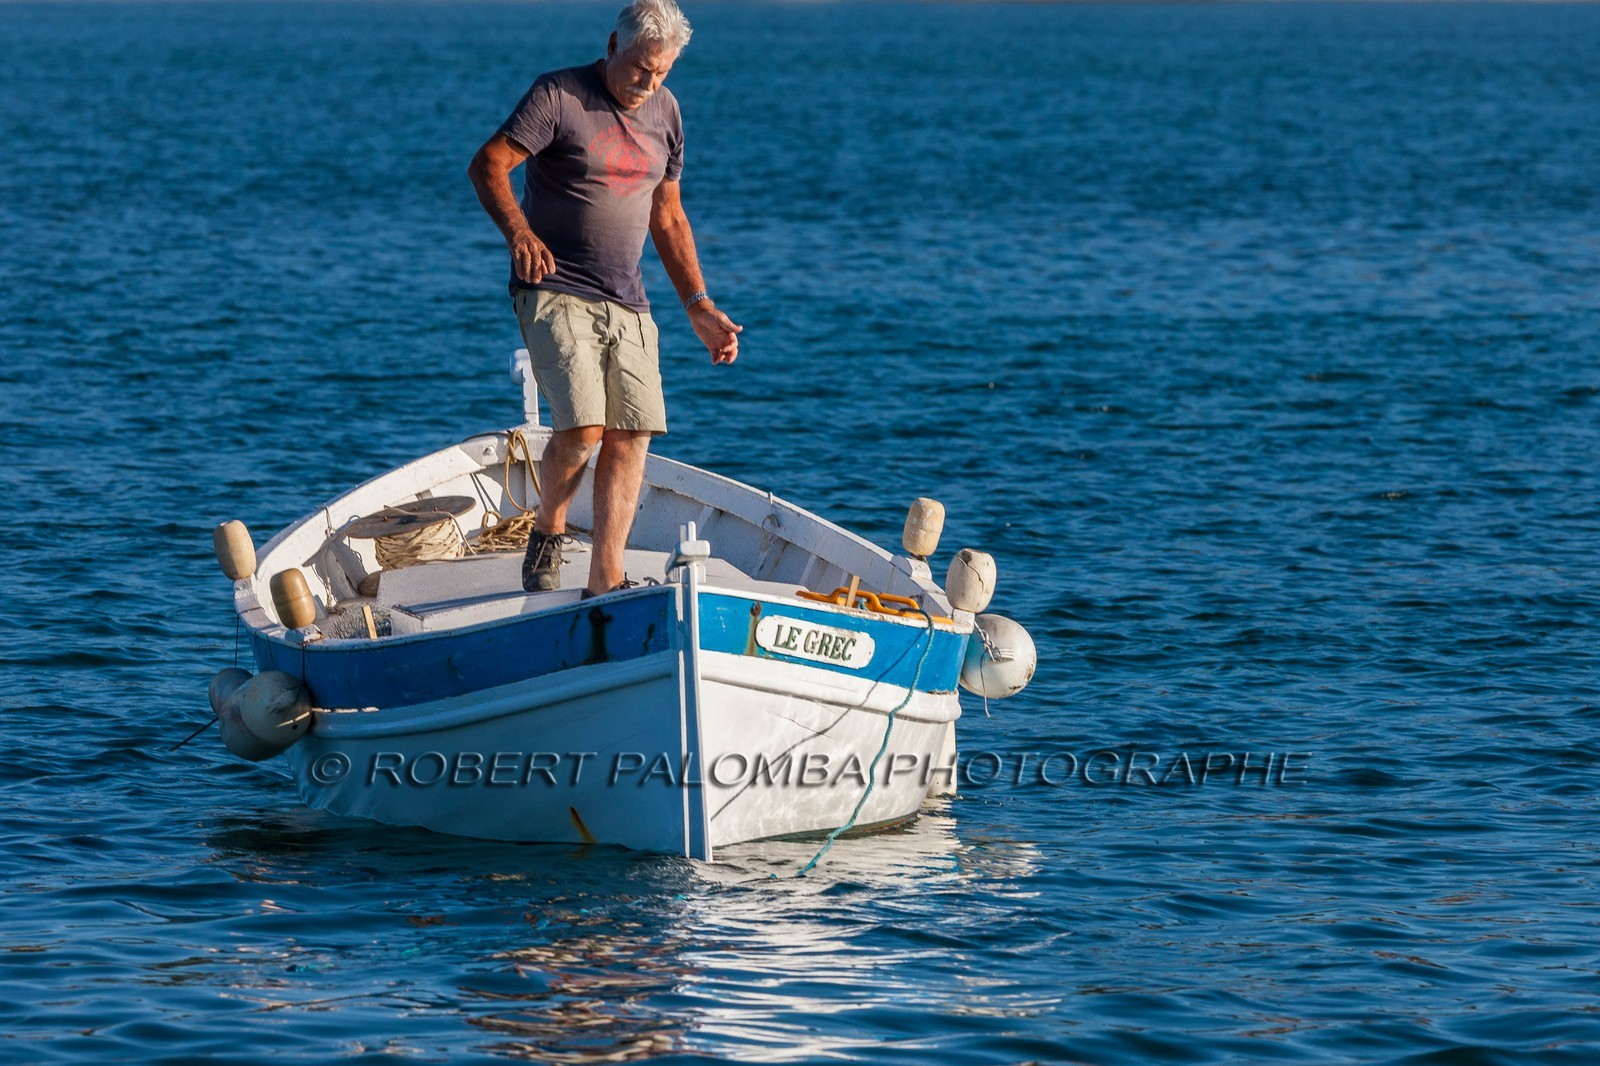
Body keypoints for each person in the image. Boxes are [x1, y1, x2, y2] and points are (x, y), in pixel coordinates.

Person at [468, 0, 741, 599]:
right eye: (641, 68)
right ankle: (549, 528)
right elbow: (489, 165)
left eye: (662, 72)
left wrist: (698, 302)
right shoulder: (559, 95)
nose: (648, 83)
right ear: (614, 47)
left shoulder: (667, 113)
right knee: (586, 426)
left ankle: (603, 579)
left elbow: (667, 215)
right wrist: (520, 233)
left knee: (633, 431)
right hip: (554, 287)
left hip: (628, 298)